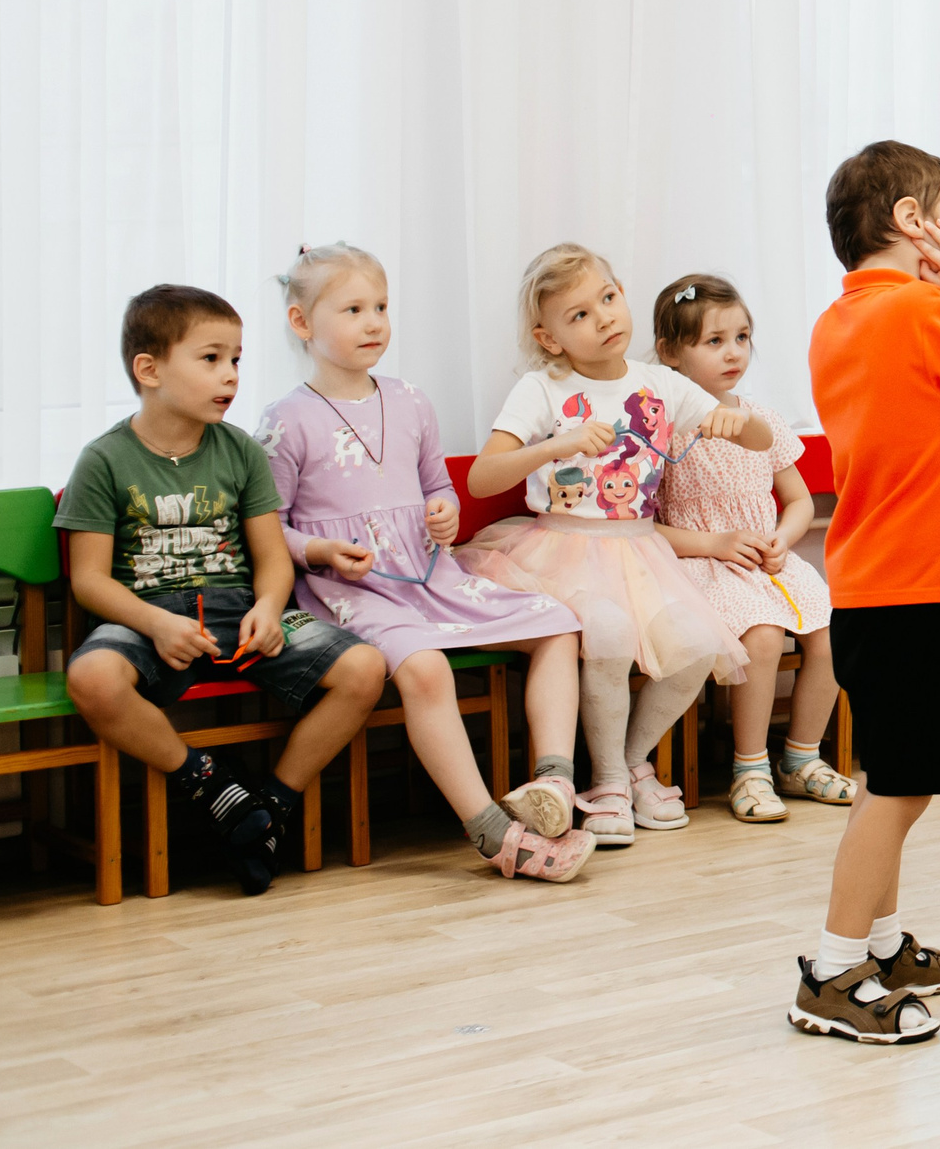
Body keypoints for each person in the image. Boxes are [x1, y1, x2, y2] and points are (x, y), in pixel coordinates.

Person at [791, 140, 940, 1044]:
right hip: (914, 583)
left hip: (875, 579)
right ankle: (829, 967)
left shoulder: (840, 320)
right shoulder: (927, 311)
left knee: (897, 777)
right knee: (897, 787)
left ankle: (883, 942)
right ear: (913, 222)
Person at [257, 242, 595, 883]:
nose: (374, 321)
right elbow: (269, 530)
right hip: (348, 590)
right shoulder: (283, 420)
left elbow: (437, 486)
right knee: (425, 669)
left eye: (381, 306)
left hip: (429, 574)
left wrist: (440, 512)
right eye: (353, 308)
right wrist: (319, 550)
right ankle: (495, 835)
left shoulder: (410, 400)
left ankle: (552, 785)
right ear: (302, 324)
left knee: (558, 622)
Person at [59, 284, 388, 894]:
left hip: (240, 611)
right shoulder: (103, 460)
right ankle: (210, 782)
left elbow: (272, 559)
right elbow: (89, 581)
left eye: (236, 359)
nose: (230, 375)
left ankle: (268, 806)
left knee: (365, 668)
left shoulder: (241, 451)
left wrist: (268, 607)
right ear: (149, 369)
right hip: (143, 616)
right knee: (91, 679)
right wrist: (156, 623)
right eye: (211, 359)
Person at [458, 244, 756, 846]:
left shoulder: (661, 383)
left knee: (699, 646)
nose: (604, 318)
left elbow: (762, 436)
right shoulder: (542, 388)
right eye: (580, 316)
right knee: (610, 635)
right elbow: (481, 478)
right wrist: (554, 446)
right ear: (550, 339)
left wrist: (737, 422)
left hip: (641, 550)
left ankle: (627, 764)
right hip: (562, 549)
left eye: (609, 298)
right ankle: (613, 781)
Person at [649, 271, 857, 823]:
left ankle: (802, 758)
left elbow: (798, 501)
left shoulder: (761, 419)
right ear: (670, 352)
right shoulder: (662, 427)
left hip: (768, 563)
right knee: (762, 639)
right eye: (713, 341)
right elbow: (643, 528)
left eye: (741, 338)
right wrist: (714, 543)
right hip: (702, 565)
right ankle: (750, 769)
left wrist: (783, 540)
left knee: (833, 632)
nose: (733, 352)